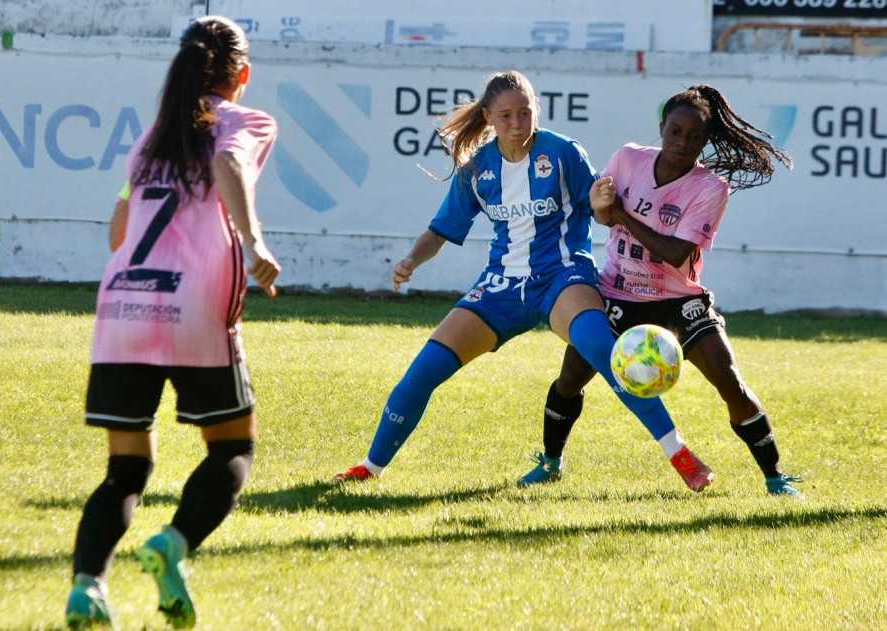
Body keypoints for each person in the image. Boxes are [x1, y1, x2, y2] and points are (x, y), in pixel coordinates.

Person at [333, 71, 713, 492]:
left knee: (604, 349)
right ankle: (370, 467)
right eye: (507, 115)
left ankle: (680, 454)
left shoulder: (563, 151)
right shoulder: (477, 167)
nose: (518, 123)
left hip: (563, 276)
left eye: (525, 112)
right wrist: (410, 259)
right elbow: (441, 230)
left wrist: (604, 206)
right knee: (421, 373)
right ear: (489, 118)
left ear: (536, 110)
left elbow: (600, 209)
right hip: (501, 285)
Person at [65, 15, 281, 629]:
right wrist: (254, 243)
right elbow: (230, 167)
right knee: (233, 447)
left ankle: (87, 587)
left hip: (122, 311)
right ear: (241, 74)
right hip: (193, 309)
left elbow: (116, 233)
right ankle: (174, 544)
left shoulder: (152, 136)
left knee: (126, 470)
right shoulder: (246, 120)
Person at [518, 84, 804, 498]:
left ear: (706, 141)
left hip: (678, 300)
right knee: (570, 378)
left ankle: (777, 479)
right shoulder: (628, 158)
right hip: (616, 292)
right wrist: (603, 209)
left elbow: (673, 253)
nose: (682, 142)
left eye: (693, 136)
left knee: (730, 382)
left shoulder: (711, 188)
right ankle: (550, 463)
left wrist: (619, 215)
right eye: (675, 131)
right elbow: (601, 215)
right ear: (662, 128)